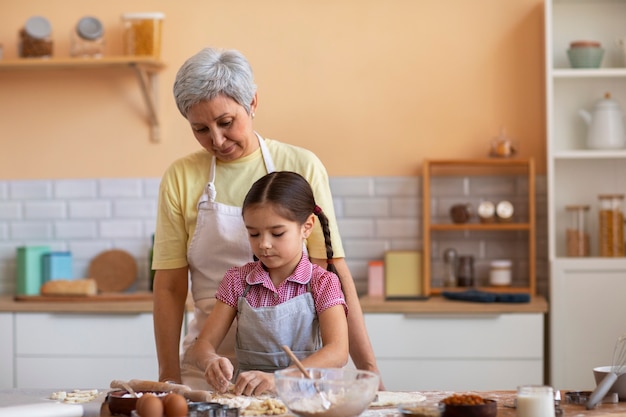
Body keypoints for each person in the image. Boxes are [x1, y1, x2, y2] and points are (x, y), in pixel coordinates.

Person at [151, 46, 383, 390]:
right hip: (213, 370)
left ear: (253, 103)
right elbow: (169, 288)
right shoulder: (180, 177)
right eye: (200, 129)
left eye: (226, 122)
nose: (216, 139)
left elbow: (330, 270)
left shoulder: (302, 166)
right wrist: (169, 376)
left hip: (298, 368)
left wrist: (370, 372)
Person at [184, 171, 349, 395]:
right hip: (251, 402)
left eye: (277, 233)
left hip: (309, 399)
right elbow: (201, 346)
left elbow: (338, 351)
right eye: (254, 234)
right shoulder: (237, 281)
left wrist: (280, 379)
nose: (264, 244)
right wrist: (210, 360)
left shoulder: (323, 282)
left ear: (307, 226)